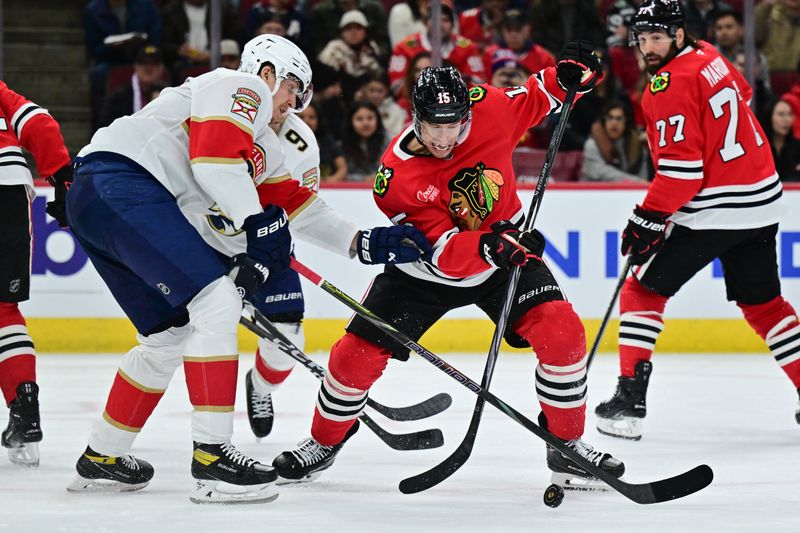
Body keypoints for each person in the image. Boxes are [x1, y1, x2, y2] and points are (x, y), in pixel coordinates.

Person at [271, 45, 628, 490]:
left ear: (467, 114)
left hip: (504, 254)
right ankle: (324, 442)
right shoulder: (396, 178)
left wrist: (575, 74)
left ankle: (568, 448)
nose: (444, 139)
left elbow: (543, 93)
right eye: (434, 127)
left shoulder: (491, 108)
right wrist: (494, 245)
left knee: (563, 334)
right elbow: (445, 255)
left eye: (454, 126)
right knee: (353, 358)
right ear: (414, 117)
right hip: (427, 272)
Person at [64, 34, 307, 505]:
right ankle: (213, 457)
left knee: (166, 336)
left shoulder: (260, 145)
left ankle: (103, 456)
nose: (294, 101)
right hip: (125, 184)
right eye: (292, 85)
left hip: (97, 193)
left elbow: (299, 208)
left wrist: (363, 243)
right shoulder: (242, 86)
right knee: (216, 304)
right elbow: (214, 164)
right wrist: (257, 226)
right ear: (268, 71)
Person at [594, 0, 800, 441]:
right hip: (762, 201)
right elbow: (742, 94)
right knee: (764, 306)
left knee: (641, 291)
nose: (649, 47)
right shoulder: (711, 55)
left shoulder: (665, 86)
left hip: (716, 210)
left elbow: (682, 174)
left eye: (657, 37)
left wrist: (646, 217)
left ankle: (628, 405)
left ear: (678, 34)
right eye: (642, 38)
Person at [0, 82, 72, 467]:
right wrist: (62, 177)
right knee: (4, 310)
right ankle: (25, 409)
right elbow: (39, 122)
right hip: (8, 189)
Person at [98, 45, 167, 128]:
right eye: (143, 63)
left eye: (154, 64)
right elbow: (105, 125)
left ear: (161, 68)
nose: (148, 68)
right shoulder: (120, 96)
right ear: (136, 67)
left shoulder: (169, 95)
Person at [581, 100, 649, 182]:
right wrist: (635, 181)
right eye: (610, 118)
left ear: (626, 122)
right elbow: (600, 172)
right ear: (604, 121)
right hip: (593, 192)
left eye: (619, 119)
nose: (614, 123)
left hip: (627, 193)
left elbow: (643, 179)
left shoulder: (638, 147)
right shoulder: (592, 145)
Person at [341, 101, 388, 181]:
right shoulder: (341, 146)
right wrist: (364, 179)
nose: (365, 123)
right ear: (350, 122)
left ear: (378, 120)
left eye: (370, 118)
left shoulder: (388, 142)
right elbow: (340, 176)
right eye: (359, 119)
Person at [764, 99, 800, 182]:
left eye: (789, 114)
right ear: (769, 117)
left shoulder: (797, 145)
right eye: (781, 114)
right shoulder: (760, 147)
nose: (787, 119)